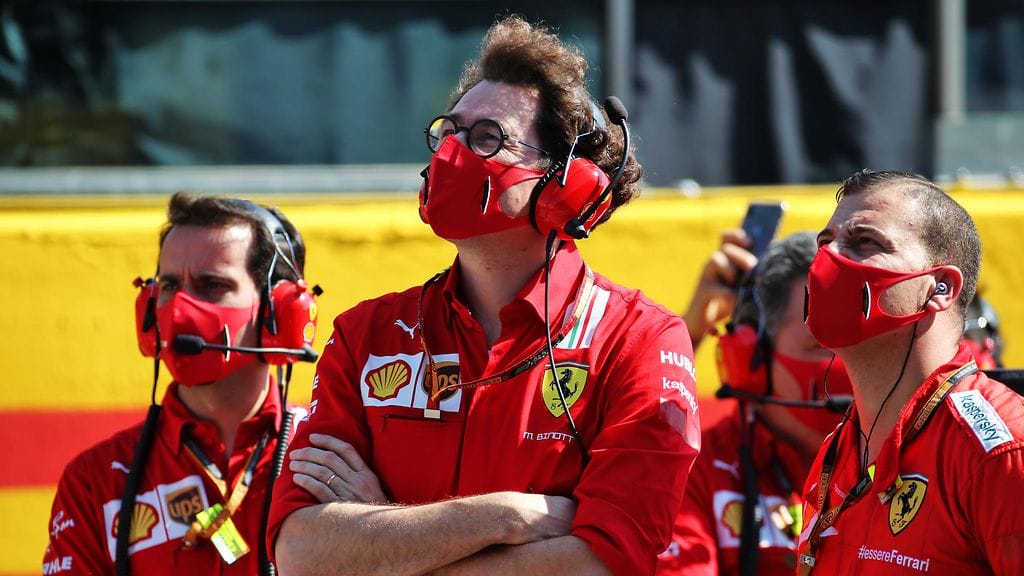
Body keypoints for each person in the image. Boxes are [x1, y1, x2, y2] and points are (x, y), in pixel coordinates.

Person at [268, 15, 700, 576]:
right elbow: (299, 552)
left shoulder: (640, 339)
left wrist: (384, 540)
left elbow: (605, 561)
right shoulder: (363, 334)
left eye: (486, 138)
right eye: (448, 132)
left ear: (566, 187)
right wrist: (504, 517)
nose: (451, 153)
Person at [42, 192, 320, 575]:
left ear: (280, 311)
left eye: (211, 285)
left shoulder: (326, 458)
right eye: (170, 286)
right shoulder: (95, 479)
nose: (180, 309)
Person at [796, 169, 1024, 575]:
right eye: (825, 243)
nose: (828, 259)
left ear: (940, 287)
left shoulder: (999, 454)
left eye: (864, 242)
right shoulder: (838, 450)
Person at [659, 231, 852, 576]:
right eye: (822, 345)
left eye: (862, 344)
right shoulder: (697, 472)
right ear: (750, 361)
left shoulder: (912, 459)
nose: (853, 366)